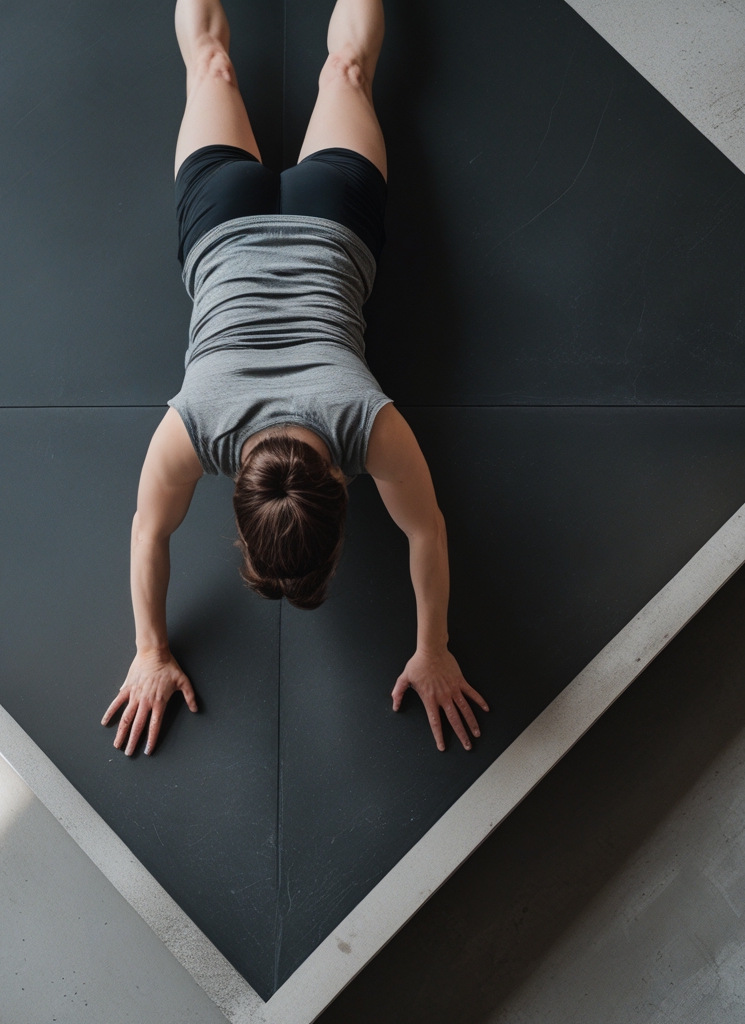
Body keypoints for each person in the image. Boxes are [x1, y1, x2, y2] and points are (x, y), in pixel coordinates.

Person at [102, 0, 489, 756]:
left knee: (345, 69)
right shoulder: (196, 431)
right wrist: (146, 647)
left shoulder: (366, 424)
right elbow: (149, 530)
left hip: (332, 219)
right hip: (223, 223)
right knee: (211, 64)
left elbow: (424, 530)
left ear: (341, 491)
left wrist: (434, 645)